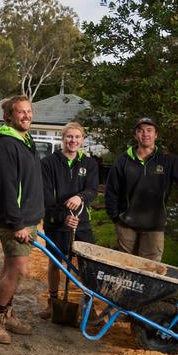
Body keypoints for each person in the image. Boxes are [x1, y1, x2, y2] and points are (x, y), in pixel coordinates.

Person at [105, 117, 178, 262]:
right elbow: (111, 191)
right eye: (140, 131)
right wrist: (116, 218)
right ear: (135, 135)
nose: (145, 134)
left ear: (156, 135)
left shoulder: (168, 160)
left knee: (151, 269)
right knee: (126, 266)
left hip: (155, 225)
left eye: (149, 130)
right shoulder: (123, 161)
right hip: (126, 224)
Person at [0, 95, 44, 344]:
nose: (26, 115)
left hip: (26, 218)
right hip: (14, 221)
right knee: (17, 270)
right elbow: (7, 189)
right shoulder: (6, 146)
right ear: (8, 116)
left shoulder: (24, 140)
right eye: (20, 112)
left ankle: (7, 314)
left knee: (10, 269)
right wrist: (17, 224)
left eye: (29, 111)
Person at [39, 122, 99, 319]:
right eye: (69, 137)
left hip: (82, 223)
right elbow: (46, 197)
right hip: (56, 222)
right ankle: (53, 302)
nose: (73, 140)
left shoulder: (89, 164)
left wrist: (80, 197)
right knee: (55, 262)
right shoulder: (48, 163)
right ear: (62, 138)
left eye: (77, 137)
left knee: (87, 265)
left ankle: (88, 306)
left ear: (82, 140)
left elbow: (92, 191)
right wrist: (63, 217)